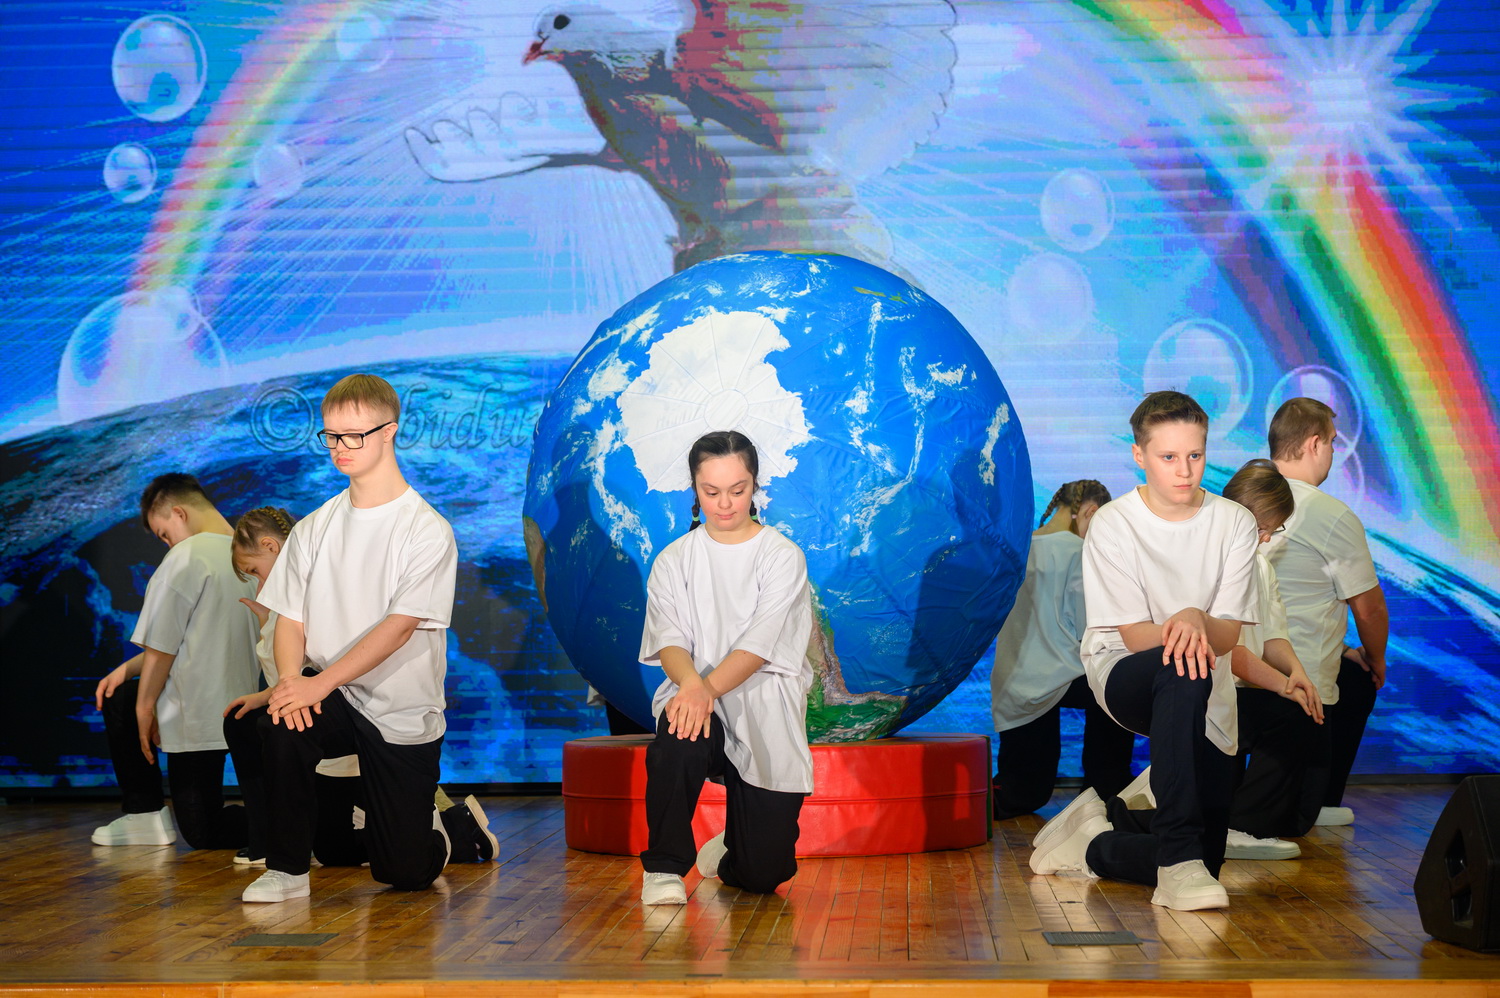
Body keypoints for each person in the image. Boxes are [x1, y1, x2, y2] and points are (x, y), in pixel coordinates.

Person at [242, 373, 489, 903]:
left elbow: (399, 627)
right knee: (281, 723)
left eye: (353, 435)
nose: (340, 447)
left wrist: (317, 684)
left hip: (400, 706)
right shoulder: (313, 527)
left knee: (403, 872)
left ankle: (448, 826)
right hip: (333, 693)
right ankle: (286, 870)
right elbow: (290, 619)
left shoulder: (425, 528)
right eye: (331, 435)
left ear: (389, 431)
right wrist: (291, 682)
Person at [1028, 391, 1258, 911]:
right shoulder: (1114, 522)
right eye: (1168, 456)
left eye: (1195, 455)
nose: (1184, 470)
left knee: (1209, 860)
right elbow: (1133, 635)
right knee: (1183, 667)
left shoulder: (1235, 522)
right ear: (1139, 455)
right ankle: (1176, 864)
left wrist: (1197, 619)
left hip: (1207, 676)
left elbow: (1226, 636)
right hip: (1123, 669)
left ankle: (1095, 843)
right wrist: (1187, 622)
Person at [222, 506, 493, 870]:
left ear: (272, 546)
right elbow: (294, 679)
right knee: (336, 851)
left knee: (405, 860)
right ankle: (285, 860)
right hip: (334, 738)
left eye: (255, 570)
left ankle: (449, 824)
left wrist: (276, 637)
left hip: (375, 722)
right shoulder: (286, 601)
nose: (258, 584)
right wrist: (265, 678)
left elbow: (317, 671)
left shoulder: (322, 587)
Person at [1116, 460, 1326, 860]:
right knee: (1288, 716)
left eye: (1274, 530)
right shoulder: (1205, 559)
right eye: (1264, 528)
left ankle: (1137, 819)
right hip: (1203, 688)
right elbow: (1228, 650)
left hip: (1234, 689)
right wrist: (1283, 686)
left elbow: (1273, 635)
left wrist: (1297, 674)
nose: (1267, 538)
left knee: (1301, 711)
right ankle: (1243, 826)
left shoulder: (1260, 565)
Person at [638, 430, 814, 905]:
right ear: (695, 490)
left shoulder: (783, 556)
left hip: (764, 705)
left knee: (764, 874)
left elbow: (759, 646)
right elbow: (669, 640)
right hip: (698, 697)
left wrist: (705, 688)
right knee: (678, 732)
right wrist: (692, 687)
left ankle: (730, 849)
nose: (724, 504)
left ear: (754, 485)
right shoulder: (674, 559)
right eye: (711, 491)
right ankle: (664, 867)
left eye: (737, 490)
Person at [91, 474, 259, 850]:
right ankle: (301, 818)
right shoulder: (253, 555)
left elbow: (163, 648)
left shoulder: (185, 557)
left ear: (179, 513)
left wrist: (145, 707)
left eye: (164, 534)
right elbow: (197, 639)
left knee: (203, 832)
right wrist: (128, 669)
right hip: (243, 709)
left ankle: (145, 813)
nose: (167, 544)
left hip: (196, 714)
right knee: (122, 688)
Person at [1267, 397, 1387, 826]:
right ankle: (1316, 801)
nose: (1335, 452)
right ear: (1314, 444)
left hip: (1238, 661)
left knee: (1350, 674)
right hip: (1299, 674)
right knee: (1362, 678)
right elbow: (1369, 609)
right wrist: (1376, 658)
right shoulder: (1330, 514)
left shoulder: (1237, 497)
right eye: (1333, 442)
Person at [990, 480, 1136, 819]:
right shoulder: (1079, 552)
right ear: (1091, 512)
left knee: (1024, 793)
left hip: (1012, 681)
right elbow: (1090, 627)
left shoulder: (1016, 549)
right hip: (1059, 675)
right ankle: (1107, 787)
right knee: (1121, 685)